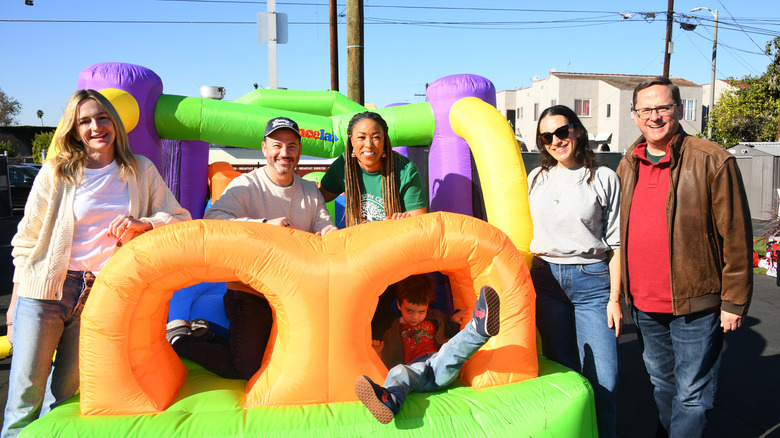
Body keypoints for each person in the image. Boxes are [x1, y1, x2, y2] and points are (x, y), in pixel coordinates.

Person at [2, 89, 191, 437]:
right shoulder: (57, 172)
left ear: (114, 123)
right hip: (45, 292)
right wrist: (14, 306)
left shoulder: (139, 170)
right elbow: (25, 240)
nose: (95, 127)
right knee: (25, 396)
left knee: (66, 396)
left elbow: (181, 218)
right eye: (84, 121)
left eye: (102, 117)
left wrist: (144, 223)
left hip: (98, 295)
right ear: (74, 130)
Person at [617, 76, 752, 438]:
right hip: (644, 305)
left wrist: (734, 301)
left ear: (677, 109)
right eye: (646, 109)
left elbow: (736, 236)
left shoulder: (711, 160)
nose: (654, 116)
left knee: (693, 396)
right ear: (634, 115)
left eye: (662, 107)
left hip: (696, 303)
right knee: (663, 386)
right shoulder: (628, 163)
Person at [168, 116, 337, 380]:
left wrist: (330, 233)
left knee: (302, 354)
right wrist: (265, 225)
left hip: (292, 290)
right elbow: (214, 220)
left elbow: (323, 226)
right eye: (277, 146)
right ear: (264, 148)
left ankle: (210, 332)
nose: (285, 153)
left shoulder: (309, 191)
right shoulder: (247, 185)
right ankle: (181, 340)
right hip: (250, 290)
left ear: (299, 151)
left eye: (291, 146)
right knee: (246, 368)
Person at [527, 105, 622, 438]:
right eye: (547, 136)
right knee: (564, 378)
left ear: (578, 130)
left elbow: (616, 244)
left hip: (593, 283)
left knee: (603, 382)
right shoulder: (536, 178)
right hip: (546, 281)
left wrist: (614, 297)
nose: (556, 140)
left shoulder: (604, 178)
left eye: (562, 131)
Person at [318, 111, 428, 339]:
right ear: (351, 140)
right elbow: (319, 198)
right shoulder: (344, 166)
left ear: (385, 139)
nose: (369, 144)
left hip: (395, 260)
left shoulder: (405, 170)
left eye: (376, 136)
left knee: (378, 316)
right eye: (361, 137)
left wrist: (403, 223)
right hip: (358, 256)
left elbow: (420, 222)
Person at [354, 275, 500, 424]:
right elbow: (389, 360)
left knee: (451, 352)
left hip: (439, 365)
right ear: (399, 305)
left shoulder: (436, 317)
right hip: (416, 372)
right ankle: (390, 399)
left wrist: (453, 321)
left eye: (421, 312)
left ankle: (478, 331)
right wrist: (378, 353)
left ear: (428, 308)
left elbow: (450, 332)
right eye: (409, 311)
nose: (415, 317)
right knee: (399, 371)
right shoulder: (393, 331)